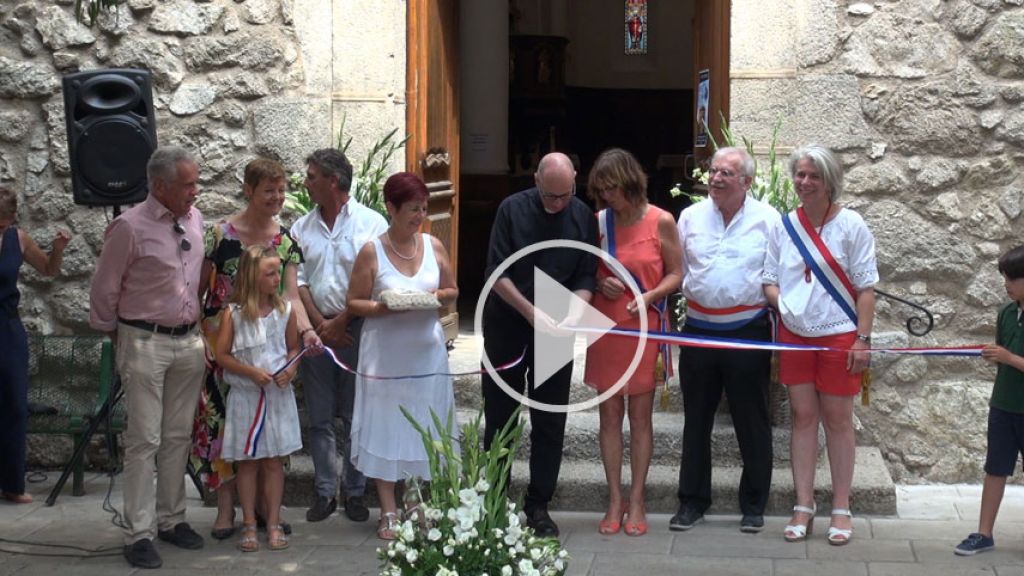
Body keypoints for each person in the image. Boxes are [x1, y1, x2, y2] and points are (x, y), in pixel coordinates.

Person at [89, 146, 208, 569]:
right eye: (188, 184)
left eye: (196, 182)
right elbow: (104, 289)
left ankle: (171, 518)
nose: (196, 191)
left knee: (177, 437)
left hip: (188, 342)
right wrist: (119, 338)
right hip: (144, 341)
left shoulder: (194, 219)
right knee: (144, 439)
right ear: (159, 186)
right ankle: (138, 531)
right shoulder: (129, 227)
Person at [192, 157, 315, 540]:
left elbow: (291, 296)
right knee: (224, 428)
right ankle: (226, 509)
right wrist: (198, 337)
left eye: (281, 190)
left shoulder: (286, 240)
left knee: (265, 432)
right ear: (248, 190)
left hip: (269, 342)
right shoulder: (218, 235)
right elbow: (200, 290)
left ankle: (265, 509)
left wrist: (307, 330)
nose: (277, 197)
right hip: (223, 344)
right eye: (269, 190)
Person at [763, 144, 877, 546]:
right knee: (802, 416)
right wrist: (786, 306)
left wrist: (862, 339)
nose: (805, 182)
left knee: (838, 419)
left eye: (813, 176)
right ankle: (803, 504)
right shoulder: (783, 225)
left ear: (829, 181)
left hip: (840, 332)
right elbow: (769, 279)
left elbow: (866, 288)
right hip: (795, 334)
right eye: (799, 175)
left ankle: (842, 507)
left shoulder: (852, 225)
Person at [480, 152, 599, 537]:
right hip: (507, 323)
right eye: (550, 196)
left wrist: (575, 313)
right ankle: (494, 502)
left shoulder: (582, 215)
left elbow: (587, 274)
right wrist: (532, 314)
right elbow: (497, 272)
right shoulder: (511, 210)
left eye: (565, 195)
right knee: (501, 417)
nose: (558, 204)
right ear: (535, 181)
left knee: (550, 419)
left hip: (556, 329)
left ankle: (539, 505)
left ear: (575, 182)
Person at [346, 172, 459, 540]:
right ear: (391, 208)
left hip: (426, 354)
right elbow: (354, 302)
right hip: (385, 355)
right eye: (413, 209)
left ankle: (414, 500)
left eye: (424, 209)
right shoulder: (371, 251)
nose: (420, 216)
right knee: (386, 424)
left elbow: (451, 290)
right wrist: (385, 307)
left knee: (420, 425)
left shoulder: (433, 245)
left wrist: (434, 299)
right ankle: (388, 508)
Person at [672, 147, 779, 534]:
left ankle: (753, 504)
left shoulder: (769, 220)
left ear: (746, 182)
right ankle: (692, 502)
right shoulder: (689, 217)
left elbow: (777, 275)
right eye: (713, 171)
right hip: (699, 329)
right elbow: (676, 270)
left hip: (748, 330)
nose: (715, 178)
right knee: (695, 420)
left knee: (752, 420)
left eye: (726, 173)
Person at [583, 149, 681, 537]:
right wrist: (595, 281)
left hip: (644, 327)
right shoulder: (598, 223)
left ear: (631, 183)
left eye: (612, 189)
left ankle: (637, 499)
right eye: (601, 190)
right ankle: (613, 499)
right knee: (609, 417)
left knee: (640, 418)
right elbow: (580, 266)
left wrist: (649, 296)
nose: (608, 197)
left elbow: (677, 275)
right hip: (605, 328)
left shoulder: (662, 221)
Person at [291, 149, 388, 523]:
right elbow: (297, 281)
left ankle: (356, 492)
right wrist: (318, 323)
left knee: (355, 414)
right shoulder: (301, 228)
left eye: (312, 176)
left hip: (357, 331)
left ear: (334, 181)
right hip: (315, 332)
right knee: (319, 416)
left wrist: (342, 322)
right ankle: (324, 492)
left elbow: (378, 281)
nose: (306, 182)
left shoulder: (371, 224)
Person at [217, 245, 301, 553]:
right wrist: (250, 372)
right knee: (248, 463)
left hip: (276, 397)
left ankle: (274, 521)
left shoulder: (285, 311)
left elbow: (293, 348)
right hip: (247, 398)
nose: (276, 277)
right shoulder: (234, 314)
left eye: (278, 271)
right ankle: (249, 522)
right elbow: (221, 355)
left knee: (273, 462)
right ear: (253, 277)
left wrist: (290, 369)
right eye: (270, 273)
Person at [0, 186, 70, 504]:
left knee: (15, 402)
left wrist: (57, 249)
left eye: (3, 223)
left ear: (12, 218)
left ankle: (12, 484)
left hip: (8, 327)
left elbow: (49, 270)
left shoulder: (18, 238)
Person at [953, 245, 1024, 556]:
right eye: (1004, 278)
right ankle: (984, 533)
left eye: (1012, 278)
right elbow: (1003, 356)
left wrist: (1009, 358)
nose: (1006, 284)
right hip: (1003, 404)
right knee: (995, 467)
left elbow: (1010, 358)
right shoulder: (1006, 313)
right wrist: (997, 356)